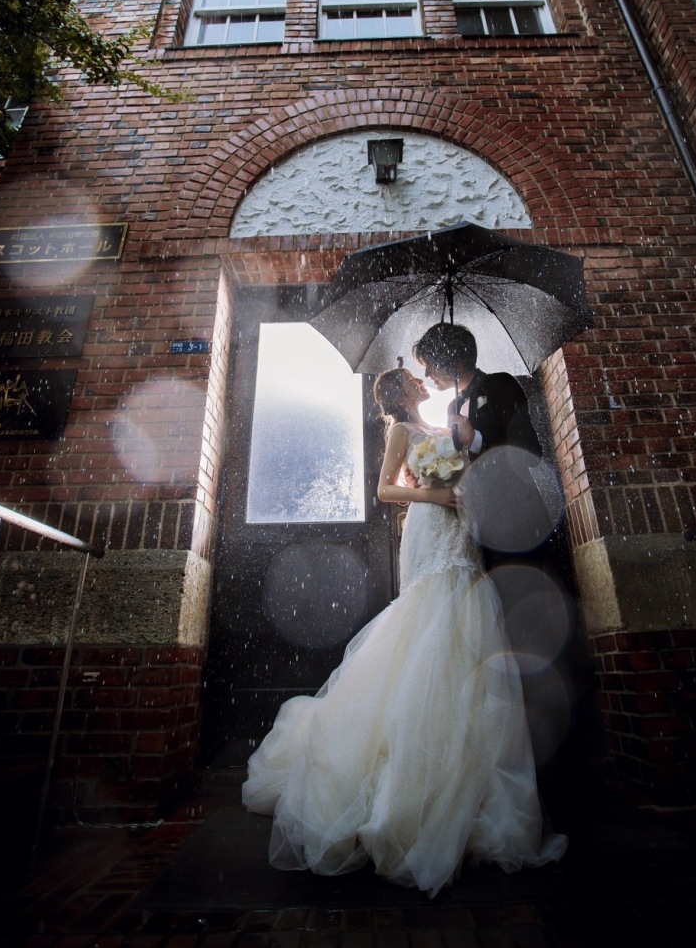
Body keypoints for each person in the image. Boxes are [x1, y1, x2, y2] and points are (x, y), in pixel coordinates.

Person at [242, 367, 567, 897]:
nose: (423, 380)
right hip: (431, 526)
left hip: (464, 529)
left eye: (424, 374)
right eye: (414, 377)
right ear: (401, 389)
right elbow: (385, 488)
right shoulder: (400, 430)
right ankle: (402, 785)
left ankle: (463, 777)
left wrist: (464, 449)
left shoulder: (448, 421)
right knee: (431, 616)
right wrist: (438, 498)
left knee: (467, 625)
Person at [412, 323, 554, 564]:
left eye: (431, 366)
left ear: (454, 362)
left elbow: (530, 452)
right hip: (478, 522)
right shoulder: (453, 407)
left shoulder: (501, 385)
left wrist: (476, 439)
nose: (427, 376)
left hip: (517, 515)